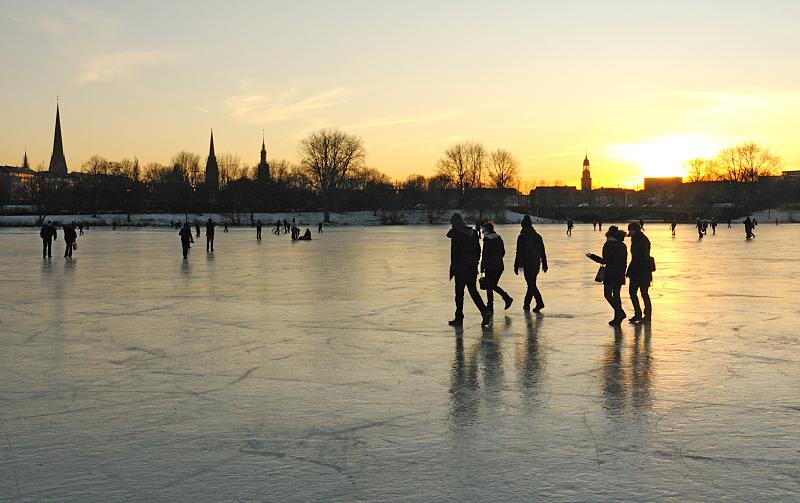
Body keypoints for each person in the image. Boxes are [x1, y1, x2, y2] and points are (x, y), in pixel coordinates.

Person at [447, 213, 491, 327]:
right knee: (473, 291)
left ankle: (459, 318)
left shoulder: (456, 234)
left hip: (461, 268)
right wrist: (475, 263)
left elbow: (454, 253)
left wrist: (454, 267)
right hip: (471, 267)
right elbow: (478, 250)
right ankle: (484, 311)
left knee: (459, 294)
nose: (451, 226)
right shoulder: (473, 233)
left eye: (452, 224)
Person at [587, 226, 628, 325]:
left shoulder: (608, 245)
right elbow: (624, 260)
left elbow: (605, 261)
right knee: (617, 294)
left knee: (608, 294)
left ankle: (620, 313)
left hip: (610, 273)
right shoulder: (622, 245)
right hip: (620, 272)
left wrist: (592, 256)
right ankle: (617, 317)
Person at [514, 214, 548, 312]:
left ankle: (538, 302)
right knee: (531, 283)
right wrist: (544, 263)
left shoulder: (522, 237)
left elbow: (519, 252)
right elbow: (542, 251)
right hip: (536, 263)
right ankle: (527, 304)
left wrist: (516, 265)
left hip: (527, 263)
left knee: (531, 284)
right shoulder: (537, 236)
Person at [480, 222, 513, 312]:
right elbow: (503, 252)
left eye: (483, 229)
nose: (482, 231)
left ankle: (494, 304)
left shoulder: (487, 239)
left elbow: (485, 254)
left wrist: (482, 266)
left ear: (487, 230)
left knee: (490, 286)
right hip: (499, 266)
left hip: (490, 267)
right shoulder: (498, 238)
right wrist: (497, 259)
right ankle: (502, 300)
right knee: (491, 285)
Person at [626, 222, 652, 323]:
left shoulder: (637, 239)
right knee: (644, 293)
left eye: (630, 230)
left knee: (633, 292)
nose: (629, 232)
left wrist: (631, 271)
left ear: (634, 230)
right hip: (645, 270)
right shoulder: (643, 238)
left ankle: (639, 314)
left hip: (638, 270)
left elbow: (637, 257)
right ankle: (646, 315)